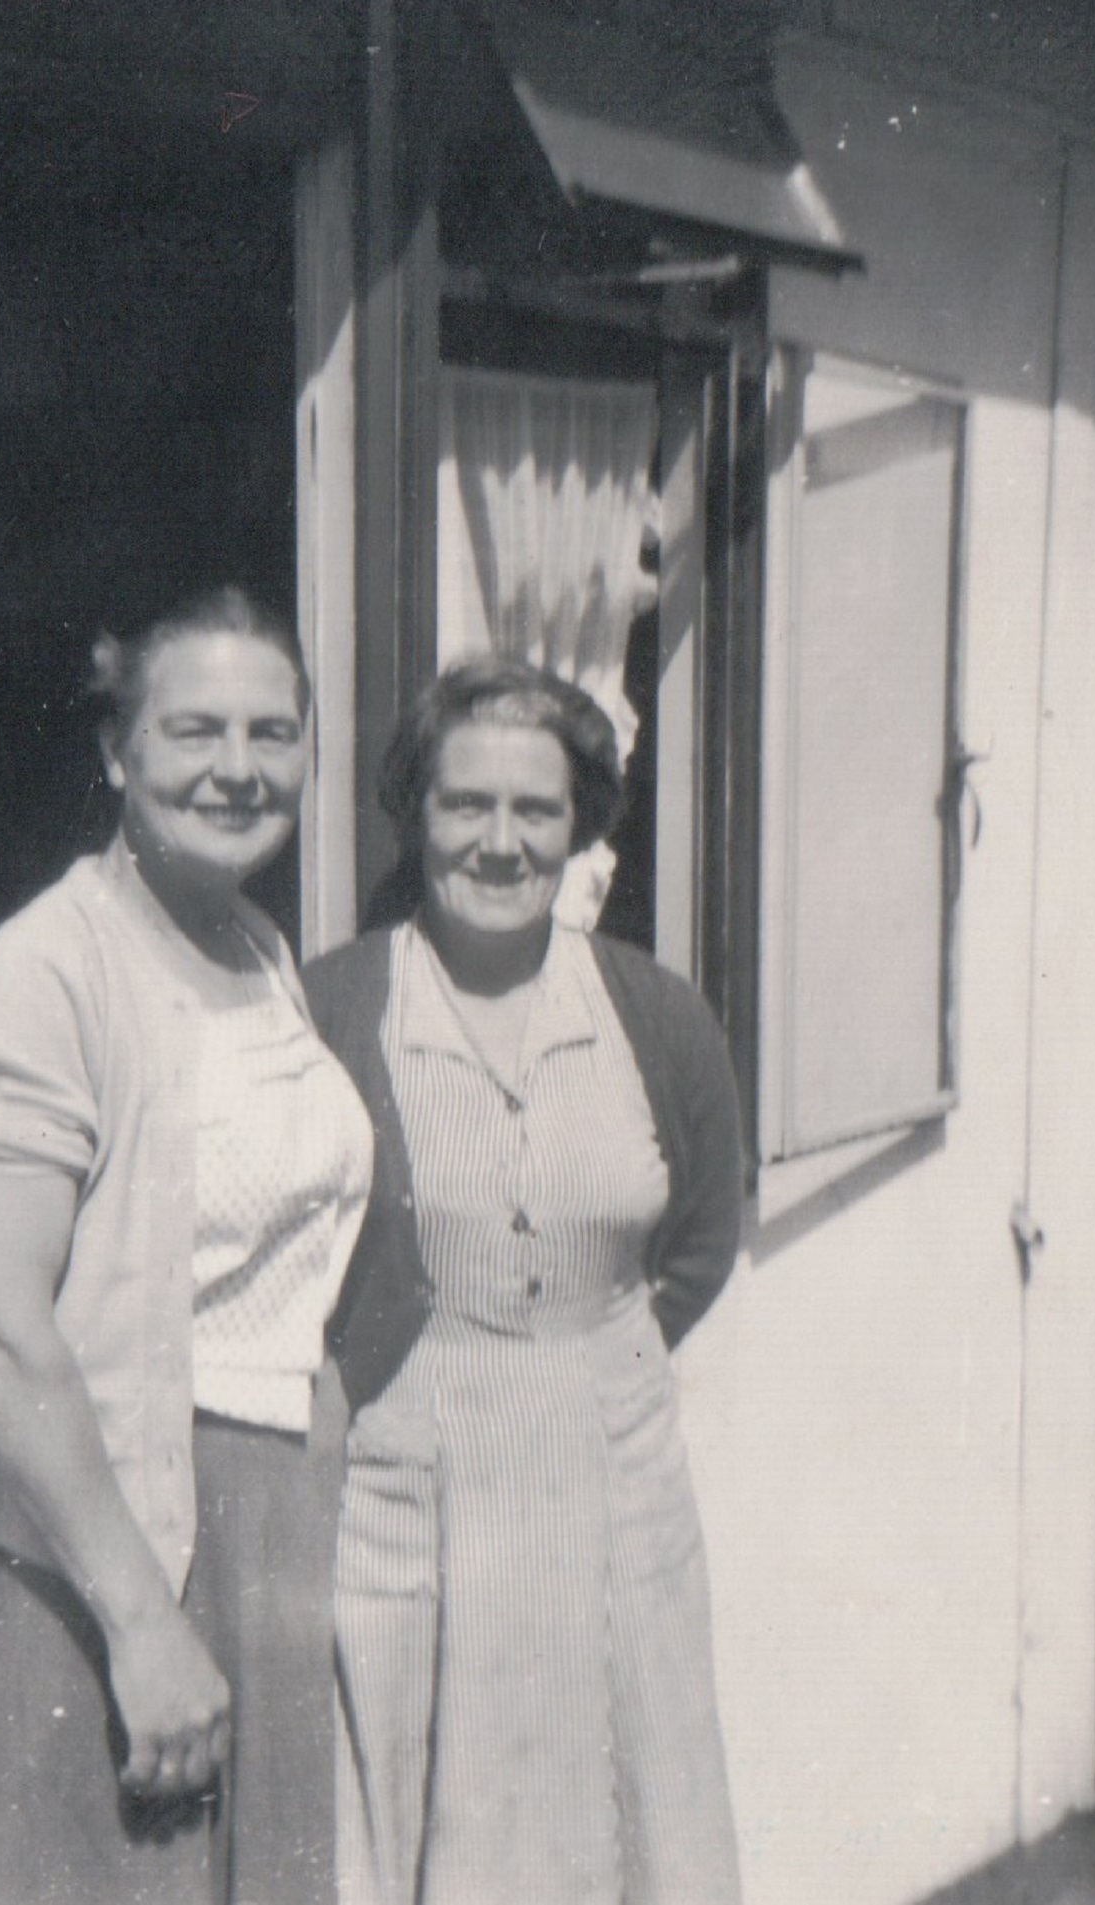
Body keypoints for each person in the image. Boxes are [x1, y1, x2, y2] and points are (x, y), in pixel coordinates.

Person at [0, 586, 373, 1903]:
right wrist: (139, 1618)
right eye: (195, 729)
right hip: (104, 1547)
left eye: (273, 732)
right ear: (116, 751)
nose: (239, 768)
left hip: (266, 1527)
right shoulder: (41, 978)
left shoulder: (252, 941)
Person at [305, 656, 747, 1905]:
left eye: (534, 812)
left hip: (612, 1461)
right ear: (416, 813)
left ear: (581, 827)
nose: (498, 843)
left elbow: (702, 1240)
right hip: (409, 1469)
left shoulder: (654, 1017)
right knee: (417, 1795)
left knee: (628, 1803)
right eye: (465, 806)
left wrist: (582, 1357)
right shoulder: (334, 1009)